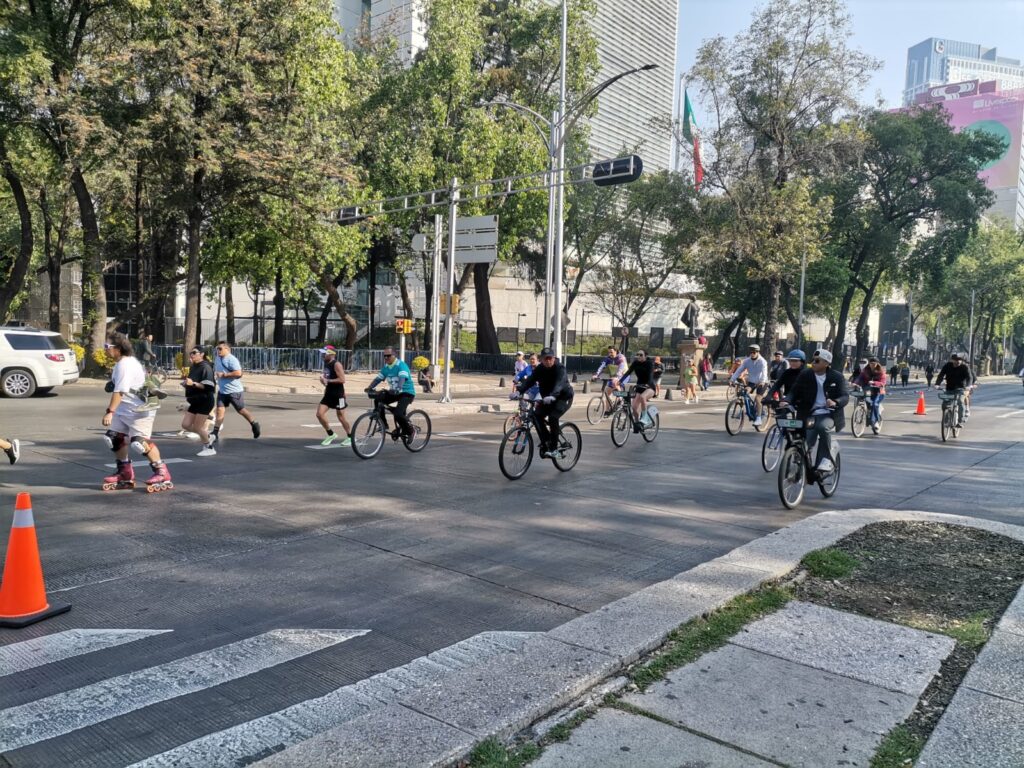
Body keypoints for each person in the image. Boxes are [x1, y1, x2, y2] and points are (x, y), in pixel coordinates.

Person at [100, 332, 172, 491]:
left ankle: (162, 472)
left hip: (139, 410)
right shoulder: (122, 363)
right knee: (114, 438)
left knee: (139, 443)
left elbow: (120, 391)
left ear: (118, 348)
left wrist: (110, 411)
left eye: (107, 347)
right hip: (124, 408)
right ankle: (124, 472)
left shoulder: (125, 364)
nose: (105, 350)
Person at [785, 348, 849, 475]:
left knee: (822, 427)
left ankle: (826, 460)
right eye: (813, 360)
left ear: (826, 363)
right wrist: (786, 401)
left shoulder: (837, 377)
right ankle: (799, 469)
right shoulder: (805, 374)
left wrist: (835, 402)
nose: (813, 363)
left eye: (817, 361)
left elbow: (845, 396)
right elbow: (794, 391)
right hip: (807, 414)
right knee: (803, 442)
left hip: (828, 414)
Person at [516, 347, 574, 457]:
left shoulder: (559, 368)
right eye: (545, 358)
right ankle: (547, 440)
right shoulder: (540, 369)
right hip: (548, 398)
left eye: (550, 358)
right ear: (541, 359)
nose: (547, 361)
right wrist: (519, 392)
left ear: (553, 358)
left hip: (563, 397)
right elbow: (530, 380)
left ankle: (554, 448)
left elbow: (560, 383)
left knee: (553, 417)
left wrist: (553, 395)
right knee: (536, 415)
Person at [211, 341, 260, 443]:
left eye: (220, 349)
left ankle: (254, 424)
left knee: (241, 410)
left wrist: (224, 375)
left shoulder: (232, 360)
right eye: (217, 349)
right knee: (220, 411)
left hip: (234, 391)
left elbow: (239, 373)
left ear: (227, 349)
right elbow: (216, 371)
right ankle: (215, 433)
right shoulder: (217, 358)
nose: (218, 351)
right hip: (222, 391)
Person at [366, 346, 417, 439]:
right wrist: (370, 387)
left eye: (388, 356)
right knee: (378, 399)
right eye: (384, 356)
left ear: (394, 355)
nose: (386, 358)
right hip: (394, 392)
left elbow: (402, 378)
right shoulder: (386, 367)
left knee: (398, 414)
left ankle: (410, 431)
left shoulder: (401, 365)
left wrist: (399, 387)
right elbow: (378, 379)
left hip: (406, 393)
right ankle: (383, 425)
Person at [182, 347, 217, 456]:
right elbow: (193, 382)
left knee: (198, 427)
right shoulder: (194, 367)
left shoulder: (206, 367)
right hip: (195, 400)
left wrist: (193, 384)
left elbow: (209, 387)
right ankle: (207, 436)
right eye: (190, 353)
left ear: (201, 354)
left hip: (205, 400)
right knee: (186, 425)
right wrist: (186, 383)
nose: (191, 355)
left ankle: (209, 447)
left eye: (194, 353)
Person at [316, 346, 352, 447]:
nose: (322, 355)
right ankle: (331, 434)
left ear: (331, 354)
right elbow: (327, 379)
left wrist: (329, 381)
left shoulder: (337, 364)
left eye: (325, 353)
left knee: (341, 416)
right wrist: (323, 381)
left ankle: (350, 436)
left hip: (338, 395)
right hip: (328, 393)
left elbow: (342, 380)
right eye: (322, 353)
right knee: (319, 414)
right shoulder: (326, 363)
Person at [728, 344, 770, 426]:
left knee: (758, 399)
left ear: (758, 352)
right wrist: (732, 379)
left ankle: (758, 418)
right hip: (752, 381)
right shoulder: (747, 361)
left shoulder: (762, 361)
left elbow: (764, 372)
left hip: (762, 382)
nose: (752, 354)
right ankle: (743, 411)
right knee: (745, 392)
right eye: (751, 352)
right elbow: (739, 371)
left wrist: (762, 381)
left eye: (754, 352)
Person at [934, 353, 975, 426]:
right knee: (945, 404)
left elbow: (970, 377)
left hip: (960, 388)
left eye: (959, 360)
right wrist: (937, 384)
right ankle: (946, 417)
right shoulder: (947, 366)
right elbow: (941, 375)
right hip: (949, 388)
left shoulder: (964, 367)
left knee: (960, 402)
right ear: (952, 360)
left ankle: (960, 420)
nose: (958, 361)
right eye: (956, 360)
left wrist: (968, 386)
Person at [621, 350, 657, 431]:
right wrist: (620, 381)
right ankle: (637, 425)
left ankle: (644, 418)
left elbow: (651, 375)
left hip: (649, 386)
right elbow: (628, 372)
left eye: (641, 355)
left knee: (643, 397)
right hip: (639, 386)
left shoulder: (649, 363)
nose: (639, 356)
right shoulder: (635, 363)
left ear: (645, 356)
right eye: (637, 355)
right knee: (634, 407)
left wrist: (647, 384)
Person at [592, 346, 630, 416]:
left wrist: (617, 377)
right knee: (607, 391)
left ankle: (621, 400)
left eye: (611, 352)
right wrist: (596, 375)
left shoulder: (621, 357)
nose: (610, 354)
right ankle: (607, 410)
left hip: (624, 375)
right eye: (609, 352)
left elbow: (621, 368)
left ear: (616, 351)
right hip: (613, 376)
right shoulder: (608, 358)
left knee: (616, 384)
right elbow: (602, 366)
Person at [854, 357, 887, 433]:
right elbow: (860, 378)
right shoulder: (865, 370)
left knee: (874, 403)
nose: (872, 365)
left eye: (874, 363)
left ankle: (875, 421)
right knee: (860, 399)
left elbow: (883, 383)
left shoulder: (881, 372)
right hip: (868, 390)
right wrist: (855, 383)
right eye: (871, 363)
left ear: (877, 364)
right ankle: (859, 414)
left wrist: (874, 383)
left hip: (879, 392)